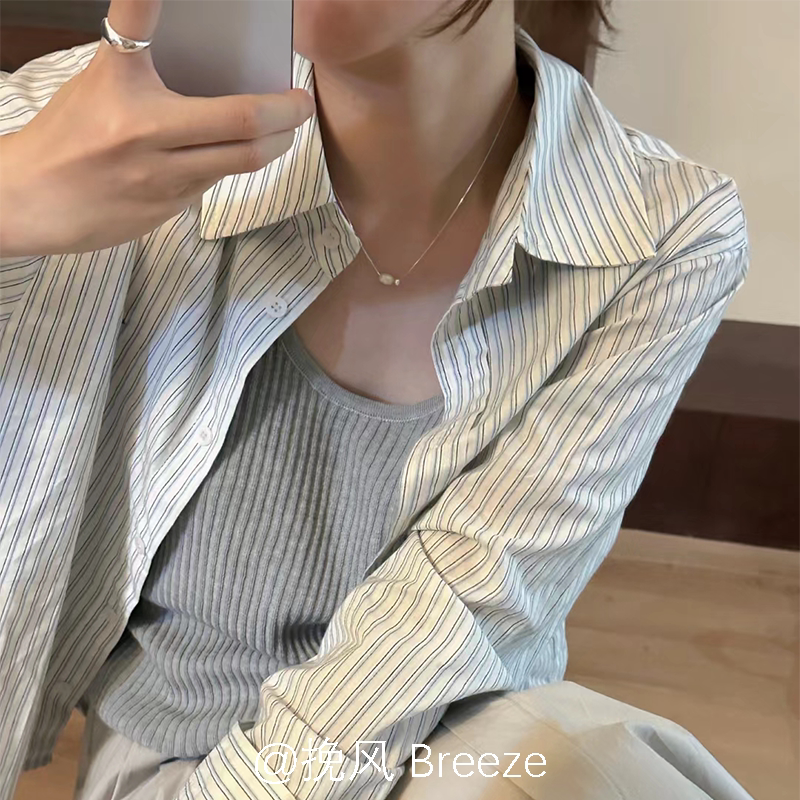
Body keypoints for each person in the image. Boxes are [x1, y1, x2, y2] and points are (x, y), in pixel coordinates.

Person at [0, 0, 754, 798]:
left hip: (439, 742)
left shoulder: (657, 229)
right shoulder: (63, 129)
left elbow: (460, 608)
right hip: (168, 755)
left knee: (603, 778)